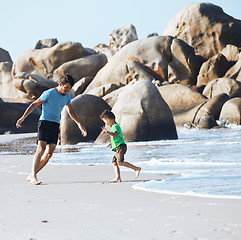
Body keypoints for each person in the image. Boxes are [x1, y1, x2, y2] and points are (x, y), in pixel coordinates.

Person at [16, 74, 87, 185]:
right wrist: (23, 117)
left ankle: (32, 174)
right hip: (44, 122)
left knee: (49, 153)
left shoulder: (67, 96)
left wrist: (79, 124)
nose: (67, 90)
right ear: (60, 84)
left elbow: (71, 111)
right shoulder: (49, 93)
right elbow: (34, 104)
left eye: (69, 88)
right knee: (41, 148)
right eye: (66, 87)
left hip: (55, 125)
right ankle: (34, 176)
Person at [100, 110, 141, 183]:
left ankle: (136, 168)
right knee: (114, 162)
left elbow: (115, 134)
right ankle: (118, 178)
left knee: (120, 162)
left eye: (105, 121)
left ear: (108, 120)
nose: (105, 123)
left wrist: (108, 132)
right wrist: (112, 143)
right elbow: (116, 137)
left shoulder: (115, 126)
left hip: (121, 147)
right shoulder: (113, 127)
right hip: (118, 147)